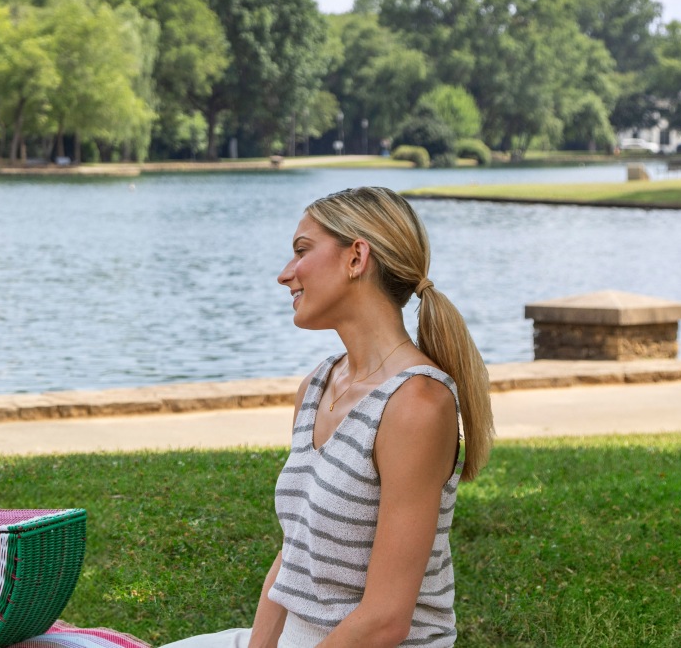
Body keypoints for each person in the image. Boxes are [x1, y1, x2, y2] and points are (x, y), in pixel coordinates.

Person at [168, 187, 495, 648]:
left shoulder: (417, 404)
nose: (285, 275)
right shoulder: (319, 384)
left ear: (356, 257)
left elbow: (385, 620)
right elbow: (294, 554)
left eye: (302, 251)